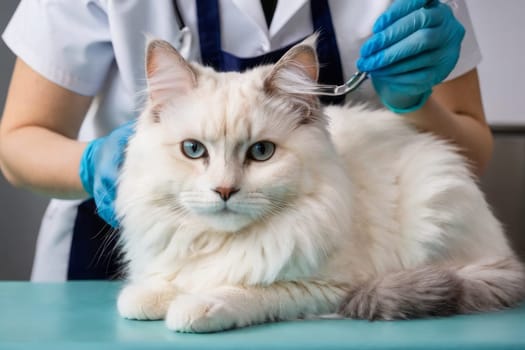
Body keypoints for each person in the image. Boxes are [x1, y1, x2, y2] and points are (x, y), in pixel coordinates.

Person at [0, 0, 491, 281]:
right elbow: (17, 142)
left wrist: (414, 101)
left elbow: (469, 152)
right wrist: (93, 164)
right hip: (123, 243)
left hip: (323, 255)